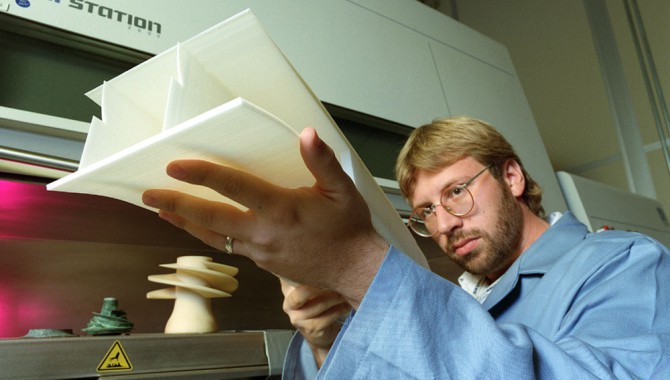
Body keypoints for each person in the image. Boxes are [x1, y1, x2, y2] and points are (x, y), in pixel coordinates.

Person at [142, 117, 670, 378]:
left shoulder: (623, 262)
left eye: (456, 193)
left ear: (511, 176)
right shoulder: (448, 297)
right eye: (425, 212)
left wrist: (358, 266)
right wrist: (327, 342)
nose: (444, 224)